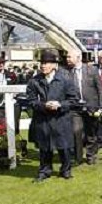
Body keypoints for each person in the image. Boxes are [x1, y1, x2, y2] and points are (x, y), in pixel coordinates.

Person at [26, 49, 78, 182]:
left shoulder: (66, 79)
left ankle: (65, 170)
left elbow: (73, 100)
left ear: (55, 65)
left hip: (61, 119)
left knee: (64, 146)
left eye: (47, 63)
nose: (43, 65)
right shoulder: (34, 81)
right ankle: (44, 171)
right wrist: (44, 106)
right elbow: (31, 101)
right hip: (42, 120)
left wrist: (60, 104)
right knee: (44, 147)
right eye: (42, 63)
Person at [66, 50, 102, 165]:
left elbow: (100, 89)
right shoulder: (67, 73)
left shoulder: (92, 70)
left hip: (91, 106)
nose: (67, 59)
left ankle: (91, 155)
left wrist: (101, 106)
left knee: (91, 132)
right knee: (76, 131)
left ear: (78, 57)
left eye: (69, 56)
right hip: (76, 108)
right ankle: (77, 157)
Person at [0, 56, 18, 125]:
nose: (1, 64)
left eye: (3, 62)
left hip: (9, 103)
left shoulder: (11, 74)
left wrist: (14, 94)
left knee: (12, 125)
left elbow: (16, 86)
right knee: (1, 126)